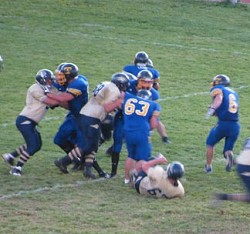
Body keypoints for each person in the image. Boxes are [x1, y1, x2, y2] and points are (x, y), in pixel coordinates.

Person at [54, 72, 130, 179]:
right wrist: (119, 101)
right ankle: (64, 161)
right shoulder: (115, 91)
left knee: (93, 145)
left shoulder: (106, 84)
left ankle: (88, 169)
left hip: (87, 114)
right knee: (86, 146)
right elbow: (107, 107)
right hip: (91, 117)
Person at [48, 63, 108, 178]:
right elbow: (58, 93)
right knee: (59, 139)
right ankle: (77, 160)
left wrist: (47, 94)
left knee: (86, 146)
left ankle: (93, 170)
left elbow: (63, 98)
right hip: (73, 115)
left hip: (83, 117)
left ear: (69, 76)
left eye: (62, 75)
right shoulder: (69, 82)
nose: (59, 77)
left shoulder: (79, 83)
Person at [2, 69, 60, 176]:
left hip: (31, 121)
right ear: (42, 80)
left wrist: (58, 95)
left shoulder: (49, 88)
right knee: (33, 145)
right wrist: (60, 97)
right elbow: (50, 102)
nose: (50, 82)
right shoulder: (35, 88)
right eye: (48, 80)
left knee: (36, 145)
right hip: (25, 120)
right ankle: (17, 168)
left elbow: (55, 100)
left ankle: (10, 156)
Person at [123, 89, 161, 184]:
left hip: (128, 131)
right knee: (143, 158)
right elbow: (153, 124)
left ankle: (127, 179)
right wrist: (150, 129)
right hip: (142, 132)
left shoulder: (129, 98)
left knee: (131, 155)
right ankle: (135, 179)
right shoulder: (153, 105)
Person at [204, 74, 240, 173]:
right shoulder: (234, 93)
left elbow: (219, 98)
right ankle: (229, 155)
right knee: (227, 150)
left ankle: (208, 167)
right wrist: (215, 111)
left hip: (223, 124)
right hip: (235, 126)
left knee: (210, 143)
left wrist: (212, 108)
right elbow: (227, 109)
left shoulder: (219, 89)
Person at [215, 138, 250, 203]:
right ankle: (223, 197)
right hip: (246, 167)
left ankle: (223, 197)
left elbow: (247, 142)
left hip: (242, 164)